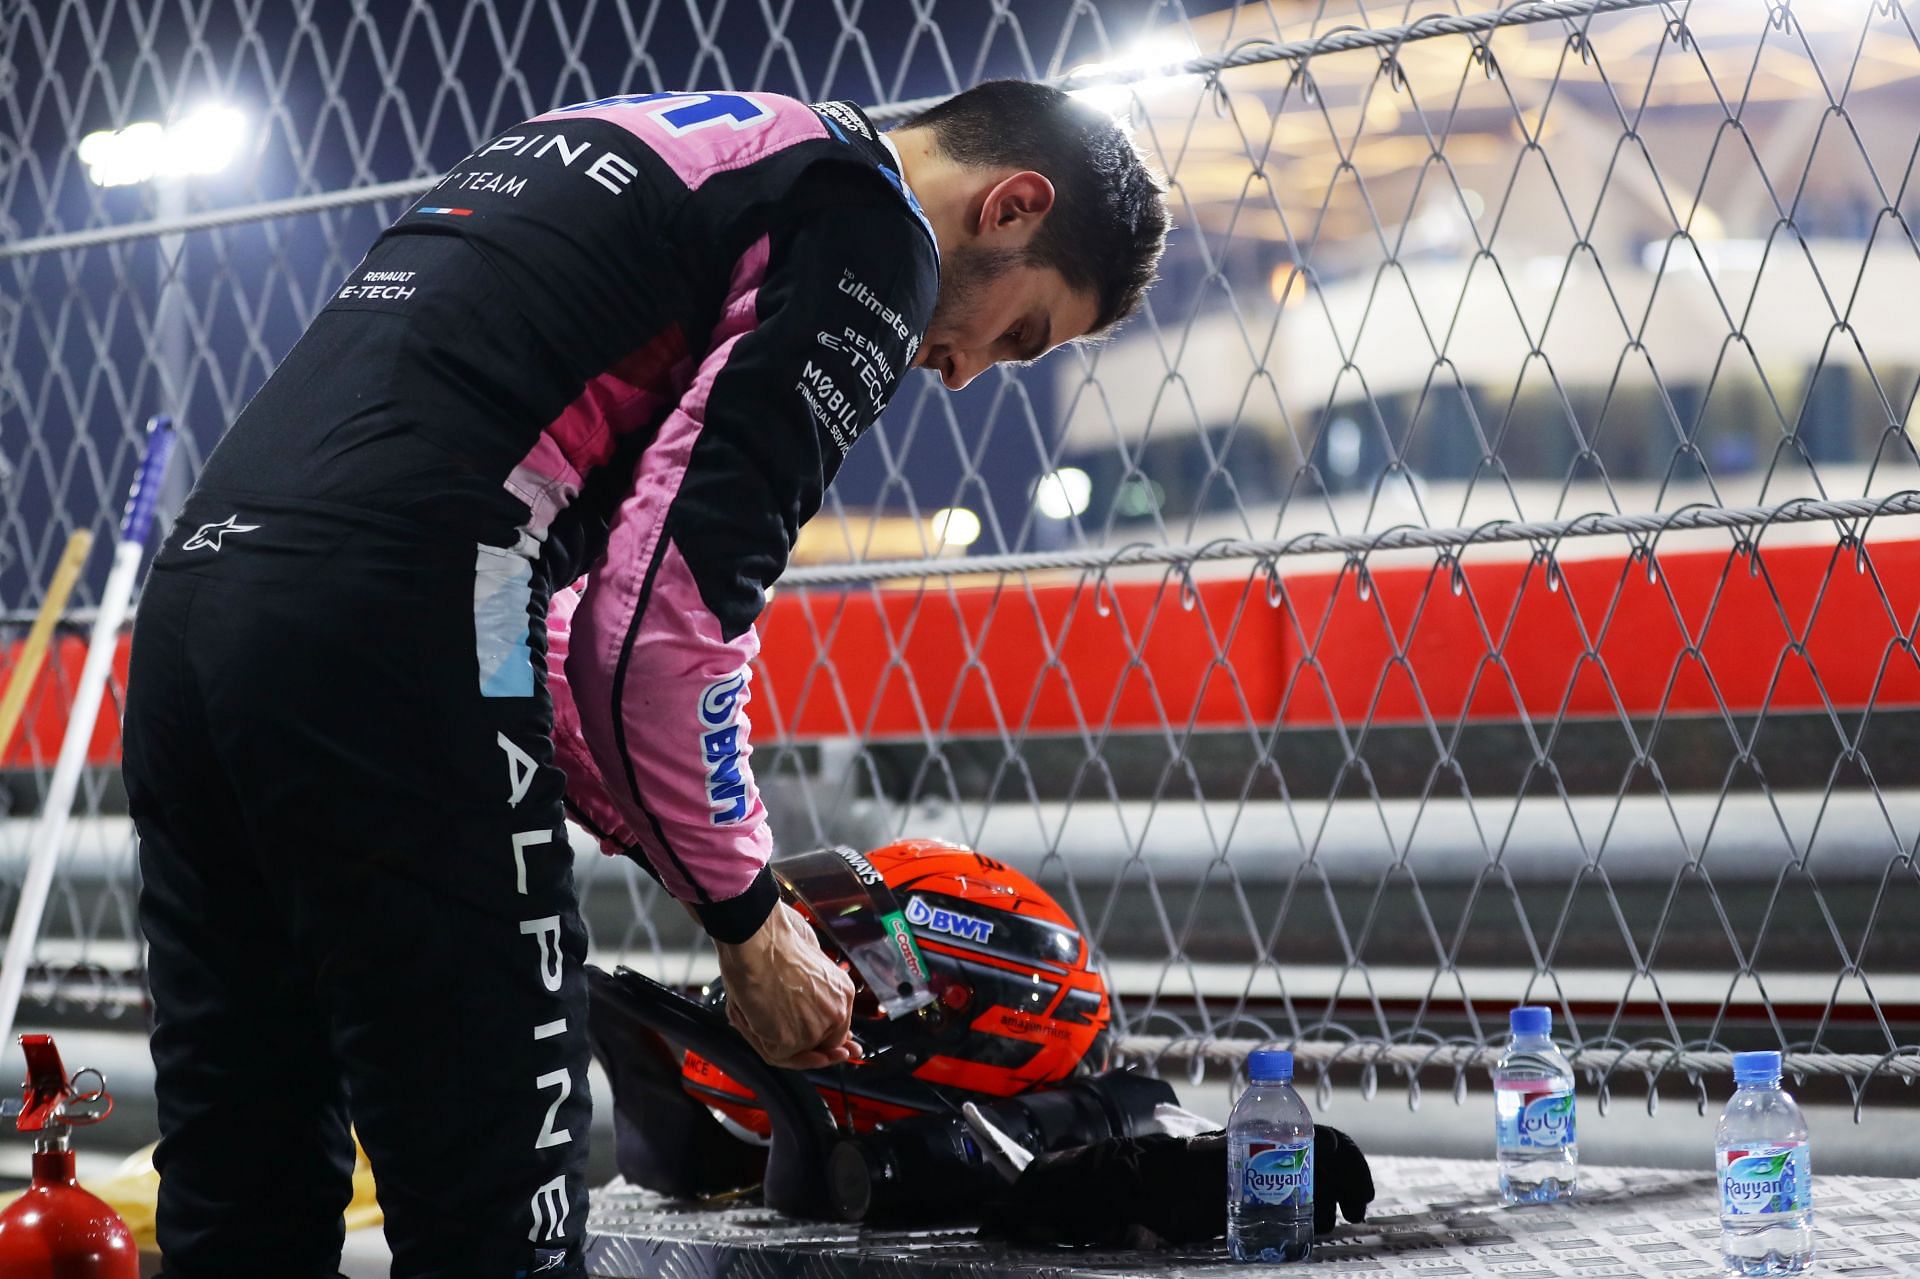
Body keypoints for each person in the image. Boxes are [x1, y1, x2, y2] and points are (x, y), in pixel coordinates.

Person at [121, 78, 1167, 1278]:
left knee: (241, 1188)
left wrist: (721, 878)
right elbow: (664, 633)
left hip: (200, 610)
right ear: (1012, 208)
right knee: (496, 1216)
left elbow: (572, 648)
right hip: (406, 611)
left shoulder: (679, 141)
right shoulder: (869, 231)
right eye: (1022, 332)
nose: (970, 372)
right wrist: (743, 915)